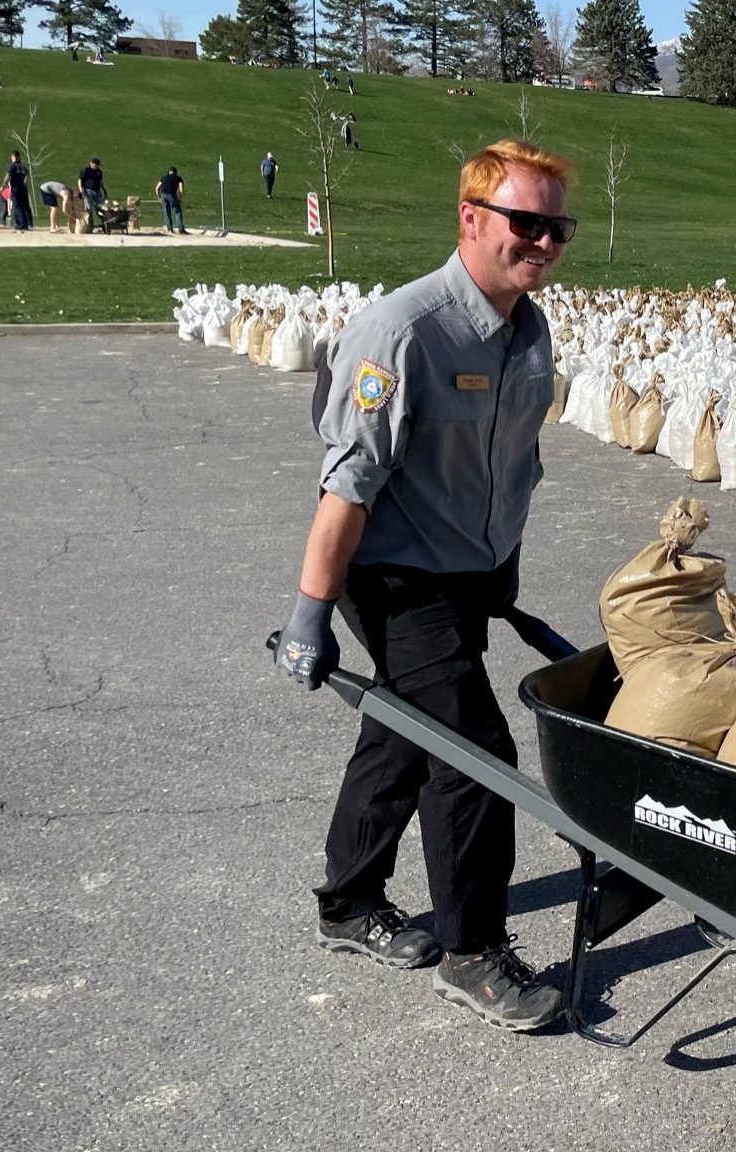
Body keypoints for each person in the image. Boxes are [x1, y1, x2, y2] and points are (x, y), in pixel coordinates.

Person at [274, 138, 576, 1033]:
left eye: (558, 226)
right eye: (527, 222)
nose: (546, 241)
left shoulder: (527, 325)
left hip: (468, 575)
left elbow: (510, 463)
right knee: (476, 755)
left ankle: (348, 903)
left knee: (402, 736)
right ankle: (472, 956)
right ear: (471, 217)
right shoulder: (402, 332)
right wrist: (309, 615)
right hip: (395, 578)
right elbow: (348, 486)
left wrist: (499, 571)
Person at [5, 151, 32, 230]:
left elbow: (7, 175)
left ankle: (20, 224)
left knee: (17, 206)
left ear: (14, 156)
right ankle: (26, 223)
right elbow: (26, 179)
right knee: (24, 206)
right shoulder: (23, 167)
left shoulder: (12, 166)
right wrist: (25, 186)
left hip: (16, 188)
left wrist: (4, 184)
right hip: (23, 188)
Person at [155, 166, 187, 234]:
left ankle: (170, 229)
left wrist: (159, 197)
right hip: (172, 195)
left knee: (166, 212)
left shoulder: (164, 177)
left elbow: (157, 188)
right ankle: (181, 228)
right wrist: (180, 198)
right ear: (175, 173)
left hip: (163, 195)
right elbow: (181, 190)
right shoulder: (178, 178)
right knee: (177, 211)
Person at [78, 158, 107, 228]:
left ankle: (105, 223)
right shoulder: (85, 170)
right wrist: (81, 190)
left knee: (102, 207)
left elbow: (100, 182)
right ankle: (90, 225)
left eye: (98, 165)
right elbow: (80, 180)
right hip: (88, 191)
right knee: (89, 209)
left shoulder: (99, 172)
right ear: (91, 163)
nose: (97, 166)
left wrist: (104, 190)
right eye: (95, 165)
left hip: (97, 191)